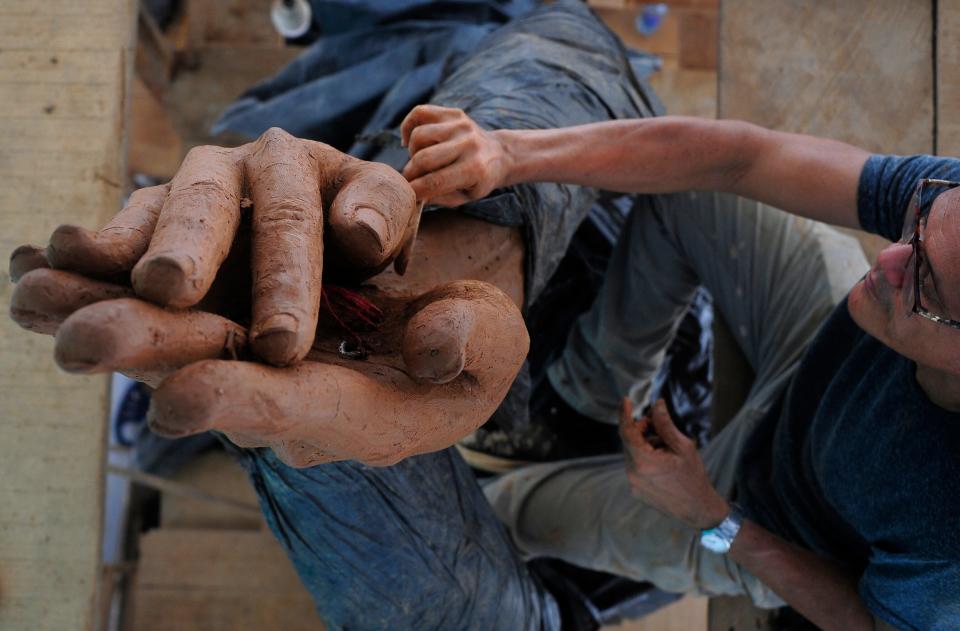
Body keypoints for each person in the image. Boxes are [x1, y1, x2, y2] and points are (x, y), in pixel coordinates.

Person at [398, 101, 960, 630]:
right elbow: (742, 158)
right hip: (814, 352)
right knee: (688, 192)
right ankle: (587, 403)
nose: (886, 256)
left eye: (926, 285)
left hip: (767, 513)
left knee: (507, 513)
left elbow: (865, 623)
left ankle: (549, 477)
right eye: (916, 226)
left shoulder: (948, 533)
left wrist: (714, 519)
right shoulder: (949, 209)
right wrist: (509, 153)